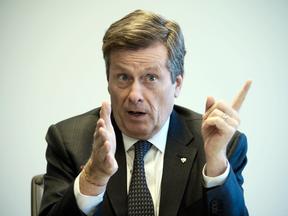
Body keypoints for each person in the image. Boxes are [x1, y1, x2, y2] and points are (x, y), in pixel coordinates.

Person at [39, 9, 252, 216]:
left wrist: (215, 164)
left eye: (150, 78)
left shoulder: (221, 144)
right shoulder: (69, 141)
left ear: (177, 84)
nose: (134, 95)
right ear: (108, 81)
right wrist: (93, 176)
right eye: (123, 77)